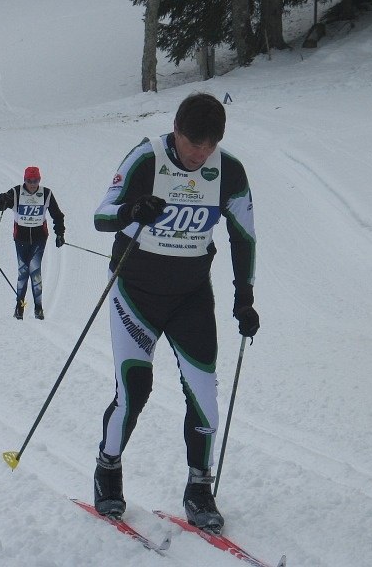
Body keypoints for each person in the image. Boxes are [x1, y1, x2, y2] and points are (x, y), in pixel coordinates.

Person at [91, 92, 259, 532]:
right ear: (176, 131)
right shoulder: (146, 159)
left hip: (190, 296)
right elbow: (102, 216)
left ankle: (199, 488)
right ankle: (108, 467)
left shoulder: (229, 171)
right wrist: (132, 210)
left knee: (205, 396)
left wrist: (245, 298)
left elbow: (244, 236)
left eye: (209, 146)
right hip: (135, 293)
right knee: (134, 389)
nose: (199, 155)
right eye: (192, 144)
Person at [0, 166, 66, 320]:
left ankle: (38, 308)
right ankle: (19, 307)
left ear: (40, 180)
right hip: (21, 238)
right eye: (29, 181)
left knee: (35, 270)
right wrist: (2, 199)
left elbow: (57, 215)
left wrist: (60, 233)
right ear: (24, 180)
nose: (32, 184)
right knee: (23, 272)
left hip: (39, 239)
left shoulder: (46, 193)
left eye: (36, 181)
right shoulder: (16, 192)